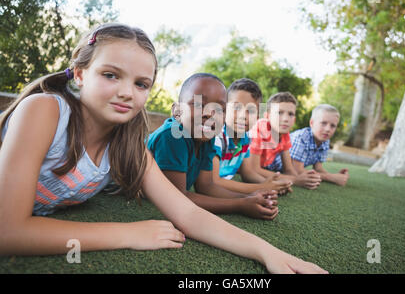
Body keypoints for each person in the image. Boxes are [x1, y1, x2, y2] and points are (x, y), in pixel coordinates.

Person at [0, 23, 327, 274]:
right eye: (111, 75)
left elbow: (186, 212)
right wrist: (127, 234)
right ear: (81, 73)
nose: (127, 92)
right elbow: (8, 231)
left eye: (141, 84)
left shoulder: (126, 143)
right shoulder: (45, 111)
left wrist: (266, 251)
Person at [147, 73, 279, 220]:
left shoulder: (207, 138)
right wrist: (240, 205)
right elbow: (177, 198)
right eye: (198, 104)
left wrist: (248, 197)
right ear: (177, 112)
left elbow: (206, 186)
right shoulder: (172, 136)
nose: (210, 114)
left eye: (219, 109)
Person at [212, 78, 293, 195]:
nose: (243, 116)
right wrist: (262, 188)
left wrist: (271, 184)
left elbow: (247, 173)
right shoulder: (217, 137)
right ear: (224, 109)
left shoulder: (245, 139)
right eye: (236, 108)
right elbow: (214, 181)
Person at [247, 92, 322, 190]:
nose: (286, 119)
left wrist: (301, 179)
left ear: (294, 120)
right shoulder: (260, 128)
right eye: (279, 113)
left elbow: (288, 169)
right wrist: (295, 180)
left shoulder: (285, 134)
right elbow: (254, 169)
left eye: (290, 114)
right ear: (267, 116)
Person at [271, 104, 349, 186]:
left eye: (332, 126)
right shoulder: (302, 137)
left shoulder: (325, 141)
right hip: (271, 168)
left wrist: (336, 176)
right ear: (312, 123)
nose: (327, 129)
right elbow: (297, 171)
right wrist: (331, 178)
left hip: (283, 172)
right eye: (323, 123)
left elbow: (318, 168)